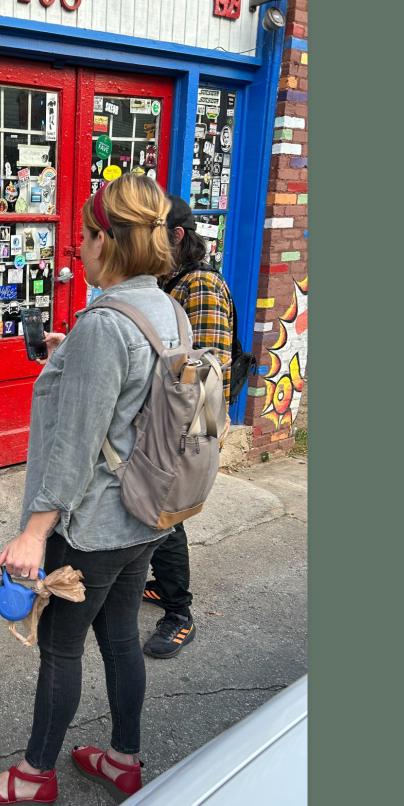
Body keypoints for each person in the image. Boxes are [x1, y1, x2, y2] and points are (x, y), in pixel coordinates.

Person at [0, 174, 183, 806]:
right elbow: (136, 404)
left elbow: (73, 445)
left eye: (86, 236)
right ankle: (122, 757)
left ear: (108, 244)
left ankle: (33, 778)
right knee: (118, 635)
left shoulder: (103, 326)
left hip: (93, 527)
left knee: (61, 645)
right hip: (149, 511)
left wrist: (33, 533)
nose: (77, 248)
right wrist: (71, 359)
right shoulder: (164, 311)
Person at [138, 194, 239, 660]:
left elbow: (208, 372)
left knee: (166, 513)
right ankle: (164, 586)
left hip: (191, 422)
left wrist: (188, 447)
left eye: (156, 236)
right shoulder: (170, 279)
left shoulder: (199, 286)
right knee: (155, 509)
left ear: (177, 236)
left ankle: (180, 614)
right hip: (168, 419)